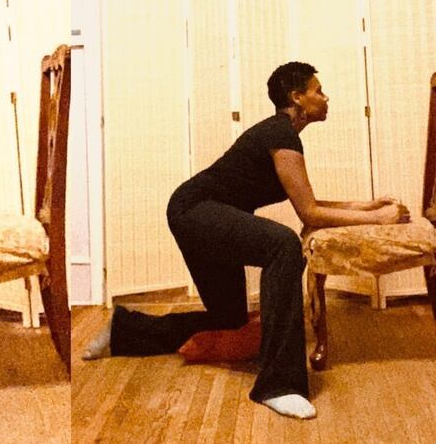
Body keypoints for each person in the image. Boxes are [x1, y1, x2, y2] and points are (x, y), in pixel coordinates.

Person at [83, 62, 410, 419]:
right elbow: (311, 214)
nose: (325, 97)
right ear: (297, 97)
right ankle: (279, 384)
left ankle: (124, 330)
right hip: (196, 210)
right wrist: (379, 218)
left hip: (197, 212)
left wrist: (367, 206)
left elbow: (310, 203)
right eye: (318, 90)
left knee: (229, 317)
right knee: (283, 245)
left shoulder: (283, 135)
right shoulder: (280, 134)